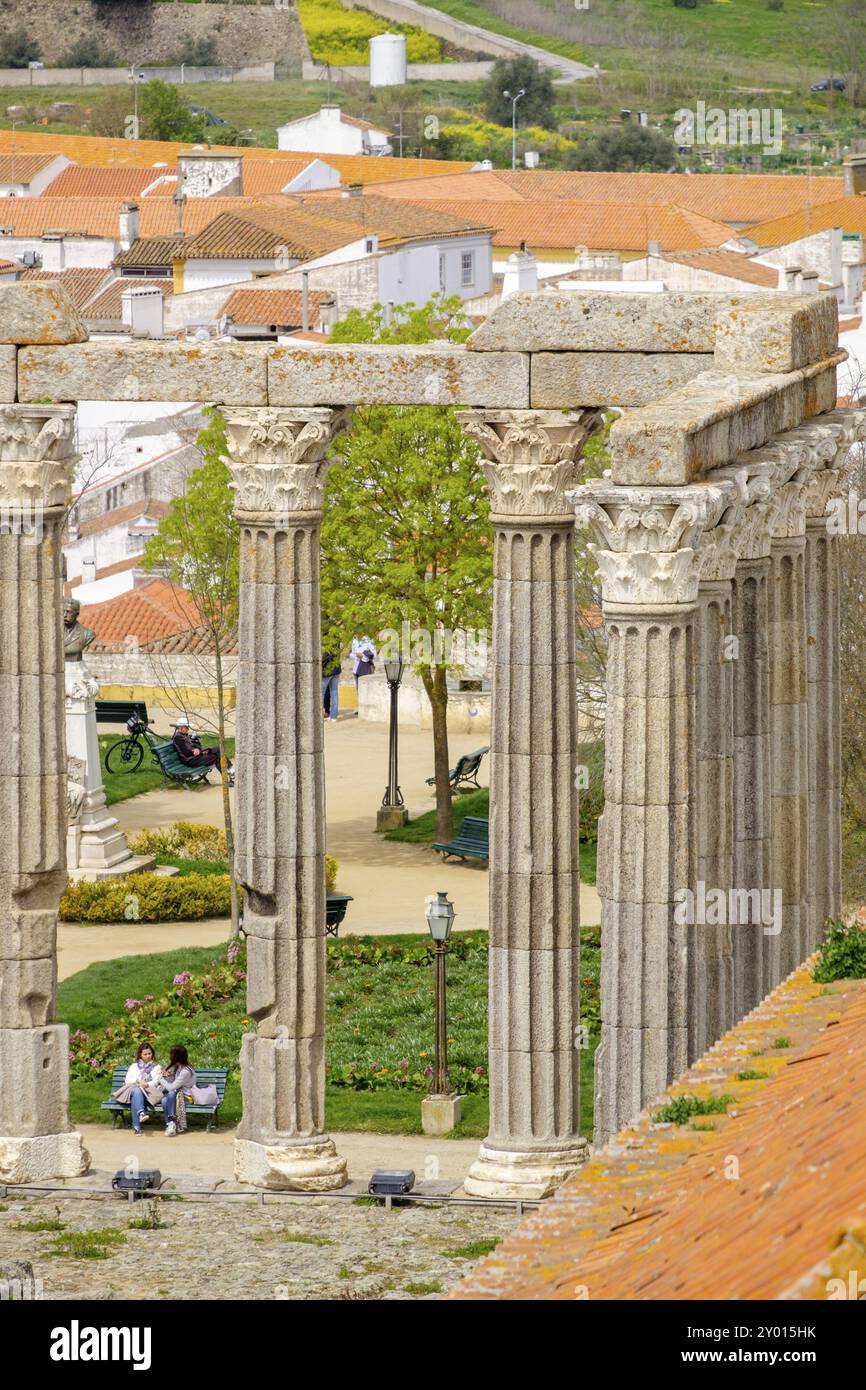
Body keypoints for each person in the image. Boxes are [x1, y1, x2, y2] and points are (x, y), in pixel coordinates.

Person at [114, 1042, 163, 1136]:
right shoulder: (134, 1066)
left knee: (137, 1094)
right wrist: (138, 1081)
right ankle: (141, 1113)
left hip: (148, 1093)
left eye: (150, 1053)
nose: (148, 1056)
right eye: (145, 1054)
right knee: (137, 1091)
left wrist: (146, 1084)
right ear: (140, 1055)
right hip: (131, 1090)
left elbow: (155, 1082)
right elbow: (128, 1080)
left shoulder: (157, 1067)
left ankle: (137, 1127)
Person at [171, 717, 234, 787]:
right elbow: (186, 752)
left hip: (196, 757)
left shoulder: (184, 735)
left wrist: (198, 748)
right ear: (181, 727)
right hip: (190, 760)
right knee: (217, 757)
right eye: (186, 727)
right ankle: (231, 774)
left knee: (217, 749)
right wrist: (195, 751)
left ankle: (231, 771)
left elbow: (194, 747)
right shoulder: (178, 738)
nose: (188, 729)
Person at [159, 1045, 196, 1138]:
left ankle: (171, 1122)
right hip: (178, 1094)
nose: (169, 1057)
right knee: (164, 1100)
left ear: (176, 1056)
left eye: (171, 1054)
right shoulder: (178, 1067)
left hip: (187, 1097)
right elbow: (174, 1083)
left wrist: (160, 1078)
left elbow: (171, 1088)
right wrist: (168, 1076)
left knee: (170, 1093)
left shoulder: (186, 1071)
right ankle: (170, 1124)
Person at [321, 648, 342, 721]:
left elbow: (326, 657)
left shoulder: (327, 641)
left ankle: (320, 715)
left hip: (328, 671)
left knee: (321, 693)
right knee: (334, 693)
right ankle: (333, 716)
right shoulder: (337, 639)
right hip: (336, 669)